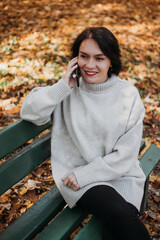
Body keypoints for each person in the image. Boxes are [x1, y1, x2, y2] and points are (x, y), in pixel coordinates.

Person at [20, 27, 151, 240]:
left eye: (99, 58)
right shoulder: (67, 91)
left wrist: (85, 175)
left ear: (111, 61)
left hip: (120, 175)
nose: (90, 65)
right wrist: (63, 86)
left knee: (116, 226)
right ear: (75, 59)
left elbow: (125, 156)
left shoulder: (128, 95)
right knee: (119, 214)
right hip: (78, 180)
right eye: (83, 56)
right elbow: (28, 111)